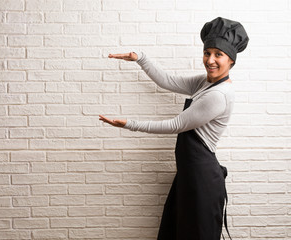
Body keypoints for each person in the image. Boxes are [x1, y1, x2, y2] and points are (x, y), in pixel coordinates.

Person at [99, 17, 249, 240]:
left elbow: (176, 125)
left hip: (202, 179)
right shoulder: (205, 82)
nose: (210, 60)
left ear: (231, 61)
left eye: (219, 54)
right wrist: (140, 58)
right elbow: (168, 81)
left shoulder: (219, 95)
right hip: (189, 175)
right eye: (207, 53)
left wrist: (129, 124)